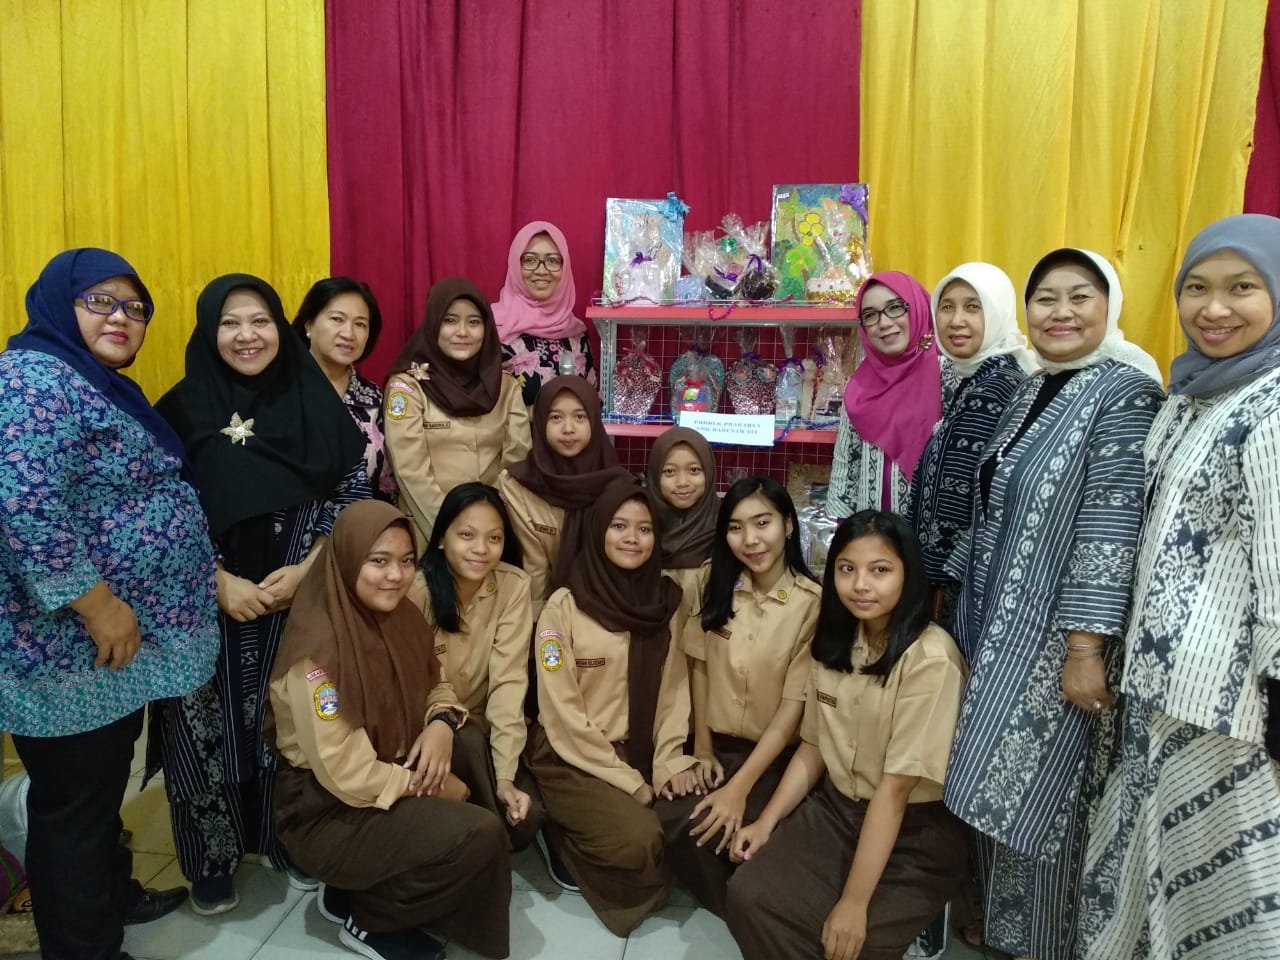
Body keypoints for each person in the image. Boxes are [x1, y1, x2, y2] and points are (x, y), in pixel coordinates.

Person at [943, 248, 1164, 960]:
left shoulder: (1126, 392)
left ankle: (1048, 944)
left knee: (1046, 798)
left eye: (1080, 296)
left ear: (1110, 305)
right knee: (996, 785)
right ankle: (1006, 931)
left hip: (1058, 638)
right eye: (1046, 298)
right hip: (997, 620)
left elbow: (1111, 524)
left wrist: (1085, 646)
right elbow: (993, 504)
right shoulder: (1033, 385)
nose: (1061, 313)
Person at [0, 248, 220, 959]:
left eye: (134, 307)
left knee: (99, 787)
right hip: (68, 644)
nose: (121, 317)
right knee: (74, 803)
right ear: (57, 303)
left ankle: (110, 893)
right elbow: (23, 503)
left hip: (102, 651)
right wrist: (96, 604)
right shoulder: (33, 378)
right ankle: (83, 947)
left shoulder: (88, 381)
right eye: (100, 301)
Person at [1079, 214, 1280, 958]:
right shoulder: (1193, 395)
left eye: (1242, 288)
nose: (1214, 308)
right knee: (1151, 875)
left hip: (1231, 710)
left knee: (1231, 895)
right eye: (1197, 288)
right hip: (1158, 690)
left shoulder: (1272, 406)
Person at [153, 273, 370, 915]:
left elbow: (352, 494)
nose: (246, 335)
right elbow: (160, 511)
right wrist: (216, 579)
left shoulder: (313, 401)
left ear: (281, 327)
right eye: (230, 323)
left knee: (293, 721)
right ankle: (210, 859)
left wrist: (308, 570)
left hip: (296, 598)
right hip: (205, 604)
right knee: (201, 730)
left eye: (260, 321)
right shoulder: (178, 411)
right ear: (209, 331)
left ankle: (288, 837)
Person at [270, 499, 510, 960]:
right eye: (378, 561)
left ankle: (356, 889)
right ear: (345, 560)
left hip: (382, 769)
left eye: (405, 561)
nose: (395, 576)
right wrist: (431, 787)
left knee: (467, 742)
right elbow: (346, 772)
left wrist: (440, 722)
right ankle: (371, 919)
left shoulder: (401, 618)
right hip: (326, 810)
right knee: (478, 834)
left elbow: (436, 685)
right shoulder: (316, 657)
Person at [724, 511, 968, 960]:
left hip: (913, 832)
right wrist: (766, 822)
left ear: (908, 575)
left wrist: (853, 904)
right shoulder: (835, 642)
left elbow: (896, 791)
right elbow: (814, 746)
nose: (860, 585)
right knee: (748, 895)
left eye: (880, 570)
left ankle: (920, 918)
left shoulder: (930, 660)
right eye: (847, 569)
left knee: (854, 942)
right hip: (836, 812)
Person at [526, 478, 699, 936]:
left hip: (640, 748)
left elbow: (674, 694)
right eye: (619, 526)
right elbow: (561, 713)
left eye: (644, 529)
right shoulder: (564, 607)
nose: (632, 538)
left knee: (685, 828)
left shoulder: (666, 602)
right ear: (598, 530)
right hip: (572, 753)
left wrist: (667, 763)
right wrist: (630, 782)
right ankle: (559, 835)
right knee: (640, 841)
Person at [657, 476, 820, 917]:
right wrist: (701, 749)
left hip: (772, 757)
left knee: (742, 836)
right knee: (671, 818)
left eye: (762, 523)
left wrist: (738, 789)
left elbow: (793, 710)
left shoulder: (812, 604)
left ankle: (749, 903)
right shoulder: (713, 581)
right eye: (735, 527)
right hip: (716, 745)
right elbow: (699, 666)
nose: (750, 540)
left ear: (788, 525)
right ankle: (730, 904)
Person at [409, 482, 547, 849]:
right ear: (442, 538)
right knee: (467, 746)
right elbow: (414, 680)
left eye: (494, 538)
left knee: (528, 818)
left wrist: (505, 777)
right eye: (467, 535)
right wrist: (443, 720)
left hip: (481, 723)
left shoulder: (513, 585)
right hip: (425, 726)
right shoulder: (416, 589)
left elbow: (509, 682)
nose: (481, 549)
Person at [910, 262, 1033, 626]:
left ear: (996, 313)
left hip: (960, 584)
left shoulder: (995, 387)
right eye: (947, 307)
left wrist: (931, 576)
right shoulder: (973, 379)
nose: (956, 320)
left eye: (973, 307)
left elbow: (965, 498)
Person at [383, 277, 530, 547]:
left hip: (491, 536)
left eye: (473, 322)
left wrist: (488, 527)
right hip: (427, 532)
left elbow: (516, 462)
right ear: (433, 324)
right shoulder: (408, 387)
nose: (462, 332)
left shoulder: (505, 387)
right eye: (449, 320)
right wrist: (451, 532)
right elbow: (410, 471)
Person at [497, 375, 630, 620]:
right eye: (556, 417)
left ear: (594, 420)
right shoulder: (518, 485)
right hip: (544, 610)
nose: (568, 428)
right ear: (540, 421)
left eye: (580, 417)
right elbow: (534, 568)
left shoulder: (619, 487)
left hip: (608, 613)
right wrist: (539, 628)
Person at [827, 271, 943, 518]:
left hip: (933, 535)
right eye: (870, 315)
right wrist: (847, 533)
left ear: (918, 308)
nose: (884, 323)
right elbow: (845, 471)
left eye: (895, 308)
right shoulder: (859, 387)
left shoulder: (948, 376)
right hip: (872, 533)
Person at [292, 276, 398, 502]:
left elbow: (385, 479)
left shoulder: (373, 398)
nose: (349, 334)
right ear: (309, 324)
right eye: (337, 319)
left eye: (360, 324)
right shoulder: (279, 388)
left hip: (360, 520)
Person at [492, 220, 598, 405]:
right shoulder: (491, 326)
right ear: (515, 265)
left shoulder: (577, 333)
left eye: (553, 261)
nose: (541, 271)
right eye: (530, 260)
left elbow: (592, 402)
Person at [645, 426, 719, 616]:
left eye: (694, 470)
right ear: (654, 475)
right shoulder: (638, 526)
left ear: (709, 471)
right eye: (669, 471)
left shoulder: (728, 526)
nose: (682, 482)